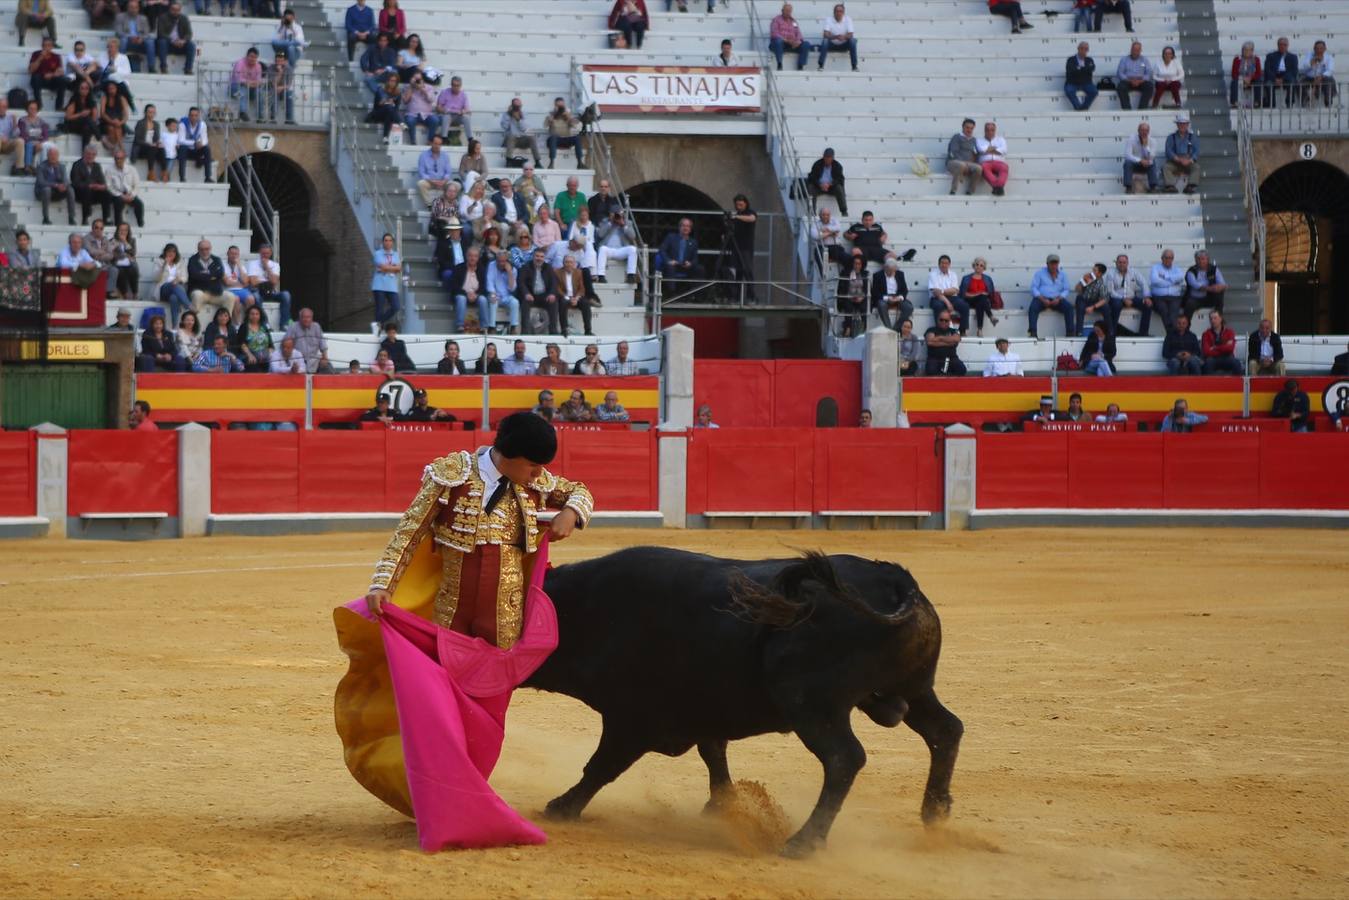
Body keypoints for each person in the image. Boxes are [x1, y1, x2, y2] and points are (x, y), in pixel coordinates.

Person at [342, 412, 592, 849]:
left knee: (487, 715)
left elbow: (580, 491)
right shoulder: (450, 475)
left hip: (504, 618)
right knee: (442, 710)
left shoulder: (531, 480)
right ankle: (439, 795)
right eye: (533, 466)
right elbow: (409, 532)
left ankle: (465, 795)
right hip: (452, 613)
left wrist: (572, 511)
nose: (539, 475)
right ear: (510, 457)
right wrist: (382, 583)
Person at [246, 244, 292, 329]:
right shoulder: (252, 264)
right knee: (255, 296)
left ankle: (284, 323)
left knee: (286, 295)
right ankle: (265, 323)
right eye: (263, 253)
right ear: (259, 253)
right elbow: (253, 282)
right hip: (258, 291)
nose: (265, 255)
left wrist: (266, 267)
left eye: (267, 253)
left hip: (271, 292)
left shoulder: (275, 265)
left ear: (270, 253)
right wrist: (268, 280)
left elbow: (274, 281)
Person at [1104, 253, 1151, 336]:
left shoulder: (1133, 272)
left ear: (1127, 263)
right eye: (1120, 262)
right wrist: (1123, 299)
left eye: (1124, 262)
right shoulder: (1111, 274)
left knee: (1148, 305)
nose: (1122, 264)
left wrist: (1146, 296)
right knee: (1116, 305)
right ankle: (1112, 332)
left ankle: (1143, 333)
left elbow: (1144, 283)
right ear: (1116, 263)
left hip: (1131, 297)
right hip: (1117, 298)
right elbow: (1110, 291)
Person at [1028, 253, 1073, 338]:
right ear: (1047, 264)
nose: (1054, 265)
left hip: (1057, 299)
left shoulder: (1063, 275)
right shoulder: (1039, 273)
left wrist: (1059, 298)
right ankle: (1032, 331)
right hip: (1042, 298)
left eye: (1055, 263)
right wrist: (1042, 298)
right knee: (1033, 308)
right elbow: (1033, 288)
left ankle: (1070, 332)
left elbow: (1066, 289)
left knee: (1069, 308)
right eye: (1052, 263)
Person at [518, 247, 559, 335]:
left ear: (544, 258)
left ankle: (553, 331)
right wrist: (526, 293)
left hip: (544, 296)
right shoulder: (525, 267)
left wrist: (552, 294)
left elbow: (554, 283)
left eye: (541, 257)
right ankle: (524, 331)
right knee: (525, 303)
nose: (539, 259)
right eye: (537, 256)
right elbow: (521, 283)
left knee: (554, 302)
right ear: (533, 257)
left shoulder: (548, 268)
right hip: (531, 296)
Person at [447, 245, 488, 332]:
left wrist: (476, 294)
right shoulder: (458, 268)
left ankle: (484, 327)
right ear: (466, 256)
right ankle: (460, 326)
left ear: (478, 258)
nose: (472, 258)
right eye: (470, 256)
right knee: (461, 298)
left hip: (476, 294)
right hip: (462, 294)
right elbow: (454, 286)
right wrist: (466, 294)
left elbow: (484, 287)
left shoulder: (482, 269)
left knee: (483, 300)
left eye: (475, 256)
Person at [70, 143, 112, 226]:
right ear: (84, 154)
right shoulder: (77, 165)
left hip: (94, 192)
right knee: (87, 190)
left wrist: (101, 186)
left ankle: (106, 219)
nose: (90, 156)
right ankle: (85, 218)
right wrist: (89, 185)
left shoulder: (97, 166)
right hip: (80, 193)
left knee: (106, 194)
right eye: (88, 154)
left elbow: (102, 181)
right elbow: (75, 182)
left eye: (93, 154)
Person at [284, 307, 334, 373]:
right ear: (300, 318)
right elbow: (286, 345)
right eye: (304, 317)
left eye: (308, 317)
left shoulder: (316, 327)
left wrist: (325, 358)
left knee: (328, 368)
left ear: (312, 318)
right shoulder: (293, 327)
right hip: (297, 359)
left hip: (313, 360)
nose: (306, 319)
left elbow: (323, 345)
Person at [595, 210, 638, 284]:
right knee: (602, 249)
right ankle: (601, 276)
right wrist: (610, 223)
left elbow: (633, 236)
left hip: (621, 250)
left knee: (633, 249)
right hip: (609, 250)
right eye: (615, 215)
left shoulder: (628, 223)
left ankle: (631, 275)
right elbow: (600, 235)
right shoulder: (605, 222)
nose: (617, 217)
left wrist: (623, 225)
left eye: (619, 215)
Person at [1148, 249, 1185, 335]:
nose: (1168, 259)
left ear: (1173, 259)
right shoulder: (1155, 268)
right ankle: (1172, 335)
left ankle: (1171, 335)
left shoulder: (1177, 269)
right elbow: (1155, 281)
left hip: (1175, 297)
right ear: (1162, 258)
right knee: (1164, 311)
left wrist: (1165, 276)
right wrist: (1172, 282)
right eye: (1166, 257)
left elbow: (1180, 278)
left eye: (1170, 258)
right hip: (1159, 297)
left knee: (1173, 316)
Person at [35, 146, 75, 226]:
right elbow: (41, 182)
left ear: (58, 156)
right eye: (51, 155)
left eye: (55, 155)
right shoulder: (41, 167)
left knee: (70, 189)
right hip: (42, 192)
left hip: (57, 192)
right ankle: (45, 218)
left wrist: (63, 186)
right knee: (47, 189)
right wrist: (55, 185)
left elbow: (66, 180)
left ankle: (71, 218)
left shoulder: (61, 166)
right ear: (47, 156)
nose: (53, 157)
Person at [927, 255, 967, 335]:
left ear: (949, 264)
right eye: (942, 263)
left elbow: (955, 290)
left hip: (952, 297)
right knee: (938, 306)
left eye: (946, 263)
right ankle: (940, 331)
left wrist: (941, 291)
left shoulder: (953, 274)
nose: (944, 265)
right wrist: (948, 303)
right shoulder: (933, 275)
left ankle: (962, 330)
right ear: (939, 264)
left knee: (964, 305)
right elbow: (935, 292)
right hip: (937, 298)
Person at [870, 253, 910, 331]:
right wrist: (887, 298)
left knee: (908, 307)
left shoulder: (900, 274)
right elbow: (875, 292)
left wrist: (900, 297)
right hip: (884, 297)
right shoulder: (877, 275)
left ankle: (896, 328)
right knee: (881, 305)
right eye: (889, 271)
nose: (891, 273)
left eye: (893, 271)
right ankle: (889, 328)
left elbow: (904, 290)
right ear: (885, 268)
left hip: (897, 296)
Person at [959, 257, 998, 337]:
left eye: (981, 265)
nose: (979, 267)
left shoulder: (987, 279)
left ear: (984, 268)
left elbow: (990, 293)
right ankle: (991, 317)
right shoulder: (966, 278)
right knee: (981, 298)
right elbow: (963, 294)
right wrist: (978, 294)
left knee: (981, 302)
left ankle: (979, 330)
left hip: (982, 301)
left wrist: (982, 295)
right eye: (977, 264)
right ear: (973, 265)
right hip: (968, 300)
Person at [154, 1, 196, 75]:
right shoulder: (163, 17)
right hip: (168, 44)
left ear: (180, 10)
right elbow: (160, 33)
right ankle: (163, 67)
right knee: (162, 41)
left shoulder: (184, 18)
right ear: (169, 9)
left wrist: (183, 41)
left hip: (180, 44)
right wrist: (173, 41)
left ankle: (188, 69)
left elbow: (189, 33)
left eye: (177, 10)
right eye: (173, 10)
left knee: (191, 45)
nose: (175, 12)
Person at [500, 97, 542, 168]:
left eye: (518, 106)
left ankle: (537, 161)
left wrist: (518, 119)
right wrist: (510, 116)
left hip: (523, 139)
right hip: (512, 139)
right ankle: (508, 161)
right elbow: (505, 127)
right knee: (511, 136)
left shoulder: (524, 114)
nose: (517, 108)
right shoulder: (506, 114)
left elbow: (525, 129)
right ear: (512, 106)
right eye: (515, 106)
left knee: (532, 137)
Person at [485, 251, 521, 335]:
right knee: (493, 301)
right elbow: (489, 281)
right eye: (499, 261)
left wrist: (509, 272)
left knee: (515, 302)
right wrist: (493, 294)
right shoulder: (491, 265)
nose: (501, 263)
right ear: (496, 260)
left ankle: (513, 327)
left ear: (507, 261)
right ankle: (491, 327)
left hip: (506, 296)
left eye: (503, 261)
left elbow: (512, 288)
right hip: (494, 294)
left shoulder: (513, 270)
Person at [107, 149, 144, 229]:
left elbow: (137, 185)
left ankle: (140, 225)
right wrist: (120, 195)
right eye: (116, 158)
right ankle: (118, 225)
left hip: (129, 193)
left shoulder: (132, 169)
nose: (118, 160)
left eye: (120, 158)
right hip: (116, 194)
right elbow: (109, 186)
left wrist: (132, 195)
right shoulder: (109, 170)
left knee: (139, 204)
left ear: (124, 159)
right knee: (118, 202)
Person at [769, 2, 812, 70]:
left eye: (789, 11)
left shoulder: (793, 21)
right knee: (778, 41)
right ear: (782, 11)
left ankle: (800, 66)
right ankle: (779, 64)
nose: (788, 12)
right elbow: (774, 33)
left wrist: (797, 42)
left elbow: (798, 33)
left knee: (806, 44)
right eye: (786, 11)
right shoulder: (776, 20)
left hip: (792, 44)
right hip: (780, 44)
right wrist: (787, 40)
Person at [1163, 113, 1199, 195]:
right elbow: (1168, 151)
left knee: (1196, 167)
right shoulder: (1171, 137)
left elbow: (1196, 151)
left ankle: (1190, 186)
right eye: (1180, 123)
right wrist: (1178, 159)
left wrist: (1189, 160)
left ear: (1187, 125)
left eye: (1184, 123)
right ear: (1177, 125)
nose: (1182, 125)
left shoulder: (1193, 137)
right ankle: (1170, 186)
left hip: (1188, 161)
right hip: (1175, 161)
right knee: (1166, 167)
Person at [543, 97, 584, 170]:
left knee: (577, 138)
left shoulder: (567, 116)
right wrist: (551, 118)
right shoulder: (550, 116)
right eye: (558, 106)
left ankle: (580, 162)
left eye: (561, 106)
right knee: (553, 138)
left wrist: (569, 118)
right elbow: (545, 127)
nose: (560, 108)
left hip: (566, 139)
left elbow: (577, 127)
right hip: (554, 140)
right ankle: (551, 162)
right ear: (554, 106)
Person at [154, 243, 189, 326]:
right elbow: (156, 278)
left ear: (176, 253)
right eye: (169, 251)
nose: (171, 253)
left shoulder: (180, 263)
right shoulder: (159, 261)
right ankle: (188, 305)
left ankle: (174, 327)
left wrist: (178, 279)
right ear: (165, 252)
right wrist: (164, 265)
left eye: (173, 252)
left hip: (175, 290)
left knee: (174, 298)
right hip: (163, 289)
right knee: (172, 285)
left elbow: (185, 277)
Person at [28, 36, 66, 112]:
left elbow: (60, 72)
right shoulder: (36, 54)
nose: (46, 47)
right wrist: (40, 58)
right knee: (35, 77)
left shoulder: (56, 56)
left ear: (52, 47)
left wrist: (51, 75)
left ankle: (59, 106)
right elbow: (31, 70)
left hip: (51, 80)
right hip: (39, 80)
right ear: (42, 46)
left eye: (48, 45)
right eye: (44, 45)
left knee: (62, 80)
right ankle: (38, 104)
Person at [371, 233, 401, 326]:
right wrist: (392, 267)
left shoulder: (395, 254)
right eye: (386, 240)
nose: (388, 242)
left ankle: (378, 323)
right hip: (379, 285)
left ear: (392, 242)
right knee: (380, 308)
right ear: (383, 242)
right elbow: (382, 266)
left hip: (391, 286)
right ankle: (378, 328)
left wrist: (385, 269)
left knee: (396, 307)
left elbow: (399, 268)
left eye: (390, 240)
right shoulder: (377, 253)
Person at [116, 0, 155, 73]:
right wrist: (130, 37)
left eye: (135, 8)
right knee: (123, 40)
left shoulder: (143, 18)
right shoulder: (120, 17)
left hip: (140, 41)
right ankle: (120, 64)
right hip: (127, 41)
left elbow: (147, 33)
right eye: (131, 7)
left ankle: (151, 67)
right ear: (127, 8)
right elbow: (119, 32)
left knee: (150, 42)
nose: (133, 9)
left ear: (138, 8)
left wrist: (141, 38)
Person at [1184, 250, 1225, 318]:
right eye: (1198, 259)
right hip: (1195, 299)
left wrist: (1220, 287)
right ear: (1195, 260)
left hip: (1210, 298)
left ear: (1208, 260)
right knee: (1189, 304)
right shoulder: (1191, 271)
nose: (1200, 261)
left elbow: (1222, 283)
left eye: (1203, 259)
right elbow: (1196, 285)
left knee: (1220, 292)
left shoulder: (1214, 269)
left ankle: (1219, 318)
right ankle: (1186, 326)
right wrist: (1211, 288)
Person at [401, 73, 440, 145]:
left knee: (435, 120)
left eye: (419, 79)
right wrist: (411, 87)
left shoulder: (429, 87)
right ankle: (413, 141)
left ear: (423, 80)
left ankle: (430, 141)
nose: (417, 81)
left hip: (426, 114)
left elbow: (431, 100)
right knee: (410, 121)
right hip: (412, 114)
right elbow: (405, 101)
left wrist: (423, 90)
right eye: (415, 79)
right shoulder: (407, 87)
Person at [806, 147, 847, 216]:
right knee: (810, 188)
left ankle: (844, 211)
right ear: (823, 157)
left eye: (829, 157)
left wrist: (830, 184)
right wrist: (820, 184)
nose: (827, 159)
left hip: (831, 187)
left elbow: (840, 179)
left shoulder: (837, 166)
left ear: (833, 158)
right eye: (826, 157)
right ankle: (812, 212)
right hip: (819, 187)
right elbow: (812, 177)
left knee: (839, 188)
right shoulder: (817, 164)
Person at [133, 104, 168, 183]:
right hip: (141, 148)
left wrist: (158, 143)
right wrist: (149, 144)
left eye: (153, 112)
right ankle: (151, 173)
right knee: (152, 147)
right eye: (149, 112)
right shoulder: (140, 123)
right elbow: (137, 140)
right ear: (145, 113)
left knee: (161, 148)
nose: (151, 114)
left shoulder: (156, 124)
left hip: (152, 148)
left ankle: (164, 173)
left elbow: (156, 139)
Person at [1123, 121, 1161, 194]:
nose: (1144, 132)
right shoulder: (1131, 139)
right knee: (1127, 163)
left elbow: (1152, 156)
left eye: (1146, 130)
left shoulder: (1152, 141)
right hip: (1135, 164)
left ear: (1149, 131)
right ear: (1138, 131)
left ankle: (1153, 187)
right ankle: (1128, 187)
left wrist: (1145, 146)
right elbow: (1127, 155)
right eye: (1142, 130)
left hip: (1146, 164)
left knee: (1153, 163)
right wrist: (1140, 160)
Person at [923, 310, 965, 376]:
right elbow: (929, 342)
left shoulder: (954, 331)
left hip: (952, 358)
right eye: (941, 320)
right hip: (934, 358)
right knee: (930, 371)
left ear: (949, 321)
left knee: (962, 370)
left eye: (946, 320)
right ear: (937, 320)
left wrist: (939, 338)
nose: (943, 322)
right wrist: (948, 342)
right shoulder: (931, 330)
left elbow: (956, 339)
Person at [818, 3, 857, 72]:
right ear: (834, 12)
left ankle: (854, 66)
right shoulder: (829, 19)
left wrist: (844, 37)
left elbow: (851, 34)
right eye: (837, 11)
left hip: (844, 44)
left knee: (853, 40)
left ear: (843, 13)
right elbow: (825, 34)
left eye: (840, 11)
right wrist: (835, 37)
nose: (838, 13)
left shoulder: (848, 19)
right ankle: (821, 65)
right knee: (825, 41)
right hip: (832, 44)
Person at [1115, 41, 1154, 110]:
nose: (1135, 52)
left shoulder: (1145, 60)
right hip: (1128, 80)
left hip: (1141, 81)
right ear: (1131, 50)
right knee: (1120, 87)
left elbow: (1149, 73)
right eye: (1134, 50)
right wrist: (1130, 80)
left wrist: (1140, 81)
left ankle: (1142, 109)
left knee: (1150, 86)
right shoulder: (1124, 59)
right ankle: (1127, 109)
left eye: (1137, 50)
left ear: (1140, 51)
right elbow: (1120, 73)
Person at [1201, 310, 1241, 375]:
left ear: (1220, 319)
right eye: (1211, 319)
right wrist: (1224, 347)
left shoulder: (1229, 332)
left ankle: (1236, 384)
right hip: (1213, 359)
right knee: (1208, 363)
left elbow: (1230, 348)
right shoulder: (1206, 334)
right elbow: (1206, 352)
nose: (1213, 321)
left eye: (1215, 318)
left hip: (1227, 357)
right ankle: (1209, 384)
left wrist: (1215, 348)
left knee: (1236, 363)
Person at [974, 122, 1009, 196]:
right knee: (984, 168)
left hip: (999, 161)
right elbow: (981, 150)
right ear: (984, 131)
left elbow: (1004, 150)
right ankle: (999, 187)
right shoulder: (978, 140)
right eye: (987, 130)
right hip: (985, 162)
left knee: (1005, 168)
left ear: (995, 130)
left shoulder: (1001, 139)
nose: (990, 132)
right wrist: (996, 149)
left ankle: (997, 187)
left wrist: (988, 150)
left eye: (992, 130)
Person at [435, 76, 473, 144]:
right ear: (451, 85)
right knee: (446, 116)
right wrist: (444, 110)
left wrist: (462, 111)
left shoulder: (464, 95)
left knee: (466, 118)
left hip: (458, 115)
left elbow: (467, 109)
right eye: (454, 85)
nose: (455, 87)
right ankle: (444, 138)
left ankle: (470, 139)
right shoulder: (444, 92)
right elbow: (438, 107)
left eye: (457, 85)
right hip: (447, 114)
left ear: (460, 86)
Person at [237, 304, 274, 373]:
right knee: (253, 364)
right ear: (248, 315)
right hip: (249, 354)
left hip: (264, 355)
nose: (255, 316)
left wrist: (267, 355)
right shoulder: (244, 326)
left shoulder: (264, 326)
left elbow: (271, 345)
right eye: (252, 314)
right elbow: (242, 344)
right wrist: (250, 355)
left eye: (257, 314)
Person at [231, 47, 265, 120]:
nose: (253, 59)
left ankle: (260, 116)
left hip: (251, 87)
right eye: (251, 56)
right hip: (235, 88)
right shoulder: (240, 63)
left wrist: (250, 83)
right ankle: (242, 113)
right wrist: (249, 83)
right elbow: (238, 79)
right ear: (247, 56)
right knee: (243, 89)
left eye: (255, 57)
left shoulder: (258, 66)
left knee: (259, 91)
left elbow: (259, 80)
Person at [360, 32, 398, 97]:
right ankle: (382, 94)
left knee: (394, 72)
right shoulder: (372, 48)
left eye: (384, 40)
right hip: (375, 74)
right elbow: (363, 59)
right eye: (381, 40)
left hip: (386, 74)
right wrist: (366, 71)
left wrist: (383, 70)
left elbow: (393, 64)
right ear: (378, 41)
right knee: (368, 78)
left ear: (387, 42)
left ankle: (393, 94)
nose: (382, 42)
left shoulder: (391, 51)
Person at [1263, 37, 1298, 109]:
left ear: (1288, 45)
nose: (1282, 46)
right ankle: (1271, 105)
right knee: (1268, 84)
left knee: (1292, 81)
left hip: (1286, 77)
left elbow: (1293, 71)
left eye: (1284, 45)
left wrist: (1282, 79)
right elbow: (1267, 70)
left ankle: (1289, 104)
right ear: (1278, 45)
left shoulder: (1293, 57)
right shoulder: (1270, 56)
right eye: (1280, 44)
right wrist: (1275, 79)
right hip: (1274, 76)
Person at [178, 107, 210, 182]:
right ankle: (182, 177)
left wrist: (201, 144)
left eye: (196, 115)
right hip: (187, 150)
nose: (194, 117)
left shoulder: (202, 125)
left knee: (207, 149)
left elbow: (205, 139)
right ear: (189, 116)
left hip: (197, 150)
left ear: (198, 116)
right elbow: (181, 140)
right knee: (182, 148)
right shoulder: (182, 124)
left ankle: (208, 177)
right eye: (192, 115)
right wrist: (194, 143)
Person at [221, 245, 255, 316]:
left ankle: (248, 321)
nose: (234, 256)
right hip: (228, 290)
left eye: (236, 254)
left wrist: (239, 265)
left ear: (238, 255)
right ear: (227, 254)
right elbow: (226, 282)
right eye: (232, 253)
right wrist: (240, 283)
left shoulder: (241, 266)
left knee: (251, 298)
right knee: (236, 299)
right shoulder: (222, 266)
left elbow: (245, 281)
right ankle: (237, 325)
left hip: (241, 290)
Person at [1300, 40, 1336, 107]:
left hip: (1323, 78)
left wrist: (1321, 76)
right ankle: (1305, 102)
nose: (1319, 50)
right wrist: (1311, 64)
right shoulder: (1309, 55)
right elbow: (1303, 70)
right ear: (1314, 49)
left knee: (1329, 80)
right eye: (1317, 48)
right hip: (1310, 77)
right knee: (1300, 82)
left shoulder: (1329, 57)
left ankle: (1328, 103)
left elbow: (1330, 70)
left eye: (1321, 48)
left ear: (1325, 49)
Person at [17, 100, 49, 174]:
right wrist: (33, 142)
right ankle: (28, 167)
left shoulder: (42, 121)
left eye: (35, 108)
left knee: (44, 146)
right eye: (30, 108)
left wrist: (40, 143)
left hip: (39, 143)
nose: (33, 110)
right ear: (27, 109)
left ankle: (41, 168)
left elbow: (46, 135)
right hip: (27, 141)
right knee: (29, 145)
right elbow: (22, 134)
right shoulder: (22, 121)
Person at [110, 221, 139, 300]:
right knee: (120, 270)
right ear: (118, 230)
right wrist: (123, 255)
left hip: (129, 263)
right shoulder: (113, 240)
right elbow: (111, 254)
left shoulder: (132, 240)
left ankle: (135, 293)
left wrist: (125, 242)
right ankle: (125, 294)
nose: (123, 232)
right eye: (121, 230)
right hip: (117, 263)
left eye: (125, 230)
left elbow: (133, 253)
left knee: (134, 267)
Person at [1065, 42, 1098, 111]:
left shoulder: (1089, 60)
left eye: (1086, 49)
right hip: (1072, 82)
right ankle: (1078, 107)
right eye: (1082, 48)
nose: (1083, 51)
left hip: (1086, 82)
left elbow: (1092, 69)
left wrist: (1079, 68)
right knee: (1069, 90)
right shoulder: (1070, 59)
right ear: (1078, 49)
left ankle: (1084, 107)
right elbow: (1071, 71)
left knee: (1094, 91)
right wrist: (1085, 69)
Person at [1230, 40, 1261, 108]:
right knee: (1234, 82)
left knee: (1258, 81)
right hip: (1240, 79)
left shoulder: (1256, 59)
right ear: (1242, 50)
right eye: (1245, 50)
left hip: (1252, 79)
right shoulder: (1237, 59)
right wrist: (1243, 79)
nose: (1247, 52)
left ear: (1252, 51)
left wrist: (1250, 78)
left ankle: (1257, 102)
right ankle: (1234, 102)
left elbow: (1258, 73)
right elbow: (1234, 74)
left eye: (1249, 50)